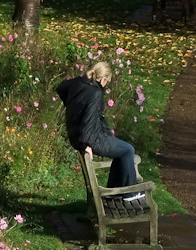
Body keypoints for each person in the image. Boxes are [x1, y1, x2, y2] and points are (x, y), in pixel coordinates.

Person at [56, 61, 144, 201]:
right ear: (103, 79)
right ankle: (129, 193)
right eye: (107, 81)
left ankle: (114, 192)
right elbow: (89, 121)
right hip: (91, 137)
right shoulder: (95, 93)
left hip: (78, 134)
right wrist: (85, 145)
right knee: (128, 150)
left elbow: (61, 87)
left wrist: (71, 105)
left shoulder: (78, 82)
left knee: (122, 151)